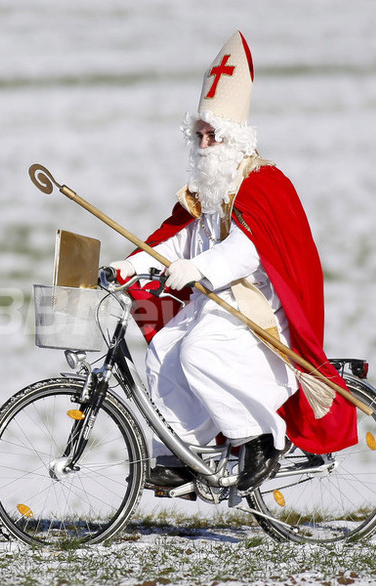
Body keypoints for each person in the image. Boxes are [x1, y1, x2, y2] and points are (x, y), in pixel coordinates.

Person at [107, 31, 358, 493]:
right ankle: (185, 454)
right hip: (220, 303)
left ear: (234, 139)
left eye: (212, 135)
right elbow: (180, 241)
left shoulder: (263, 184)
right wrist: (133, 266)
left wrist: (200, 270)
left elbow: (246, 250)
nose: (203, 144)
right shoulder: (209, 191)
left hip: (260, 308)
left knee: (202, 352)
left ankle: (260, 439)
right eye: (198, 135)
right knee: (164, 350)